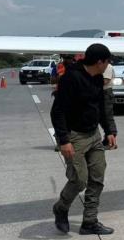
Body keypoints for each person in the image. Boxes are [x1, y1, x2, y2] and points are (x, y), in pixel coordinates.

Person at [50, 44, 118, 235]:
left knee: (97, 177)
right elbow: (58, 111)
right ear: (100, 62)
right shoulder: (71, 78)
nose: (108, 64)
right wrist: (64, 140)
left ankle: (89, 221)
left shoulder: (97, 78)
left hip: (94, 135)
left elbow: (102, 106)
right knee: (79, 180)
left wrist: (110, 130)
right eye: (108, 61)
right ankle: (61, 208)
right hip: (75, 136)